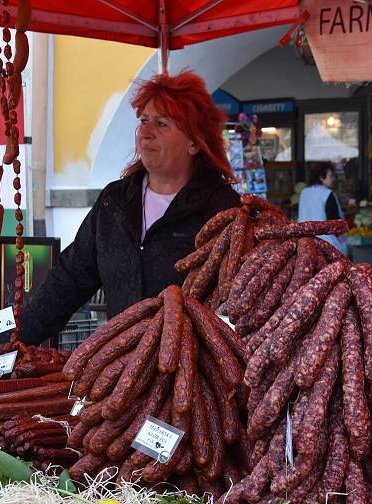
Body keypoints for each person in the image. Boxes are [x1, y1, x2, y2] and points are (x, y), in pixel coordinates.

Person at [17, 71, 240, 346]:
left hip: (192, 375)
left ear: (194, 142)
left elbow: (240, 299)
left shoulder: (223, 210)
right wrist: (15, 340)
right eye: (144, 121)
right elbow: (69, 279)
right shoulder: (115, 201)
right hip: (119, 372)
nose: (145, 133)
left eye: (161, 124)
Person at [298, 161, 347, 255]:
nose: (333, 179)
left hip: (304, 243)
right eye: (330, 176)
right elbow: (334, 221)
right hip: (327, 244)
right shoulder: (328, 194)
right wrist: (340, 238)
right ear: (321, 177)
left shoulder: (304, 192)